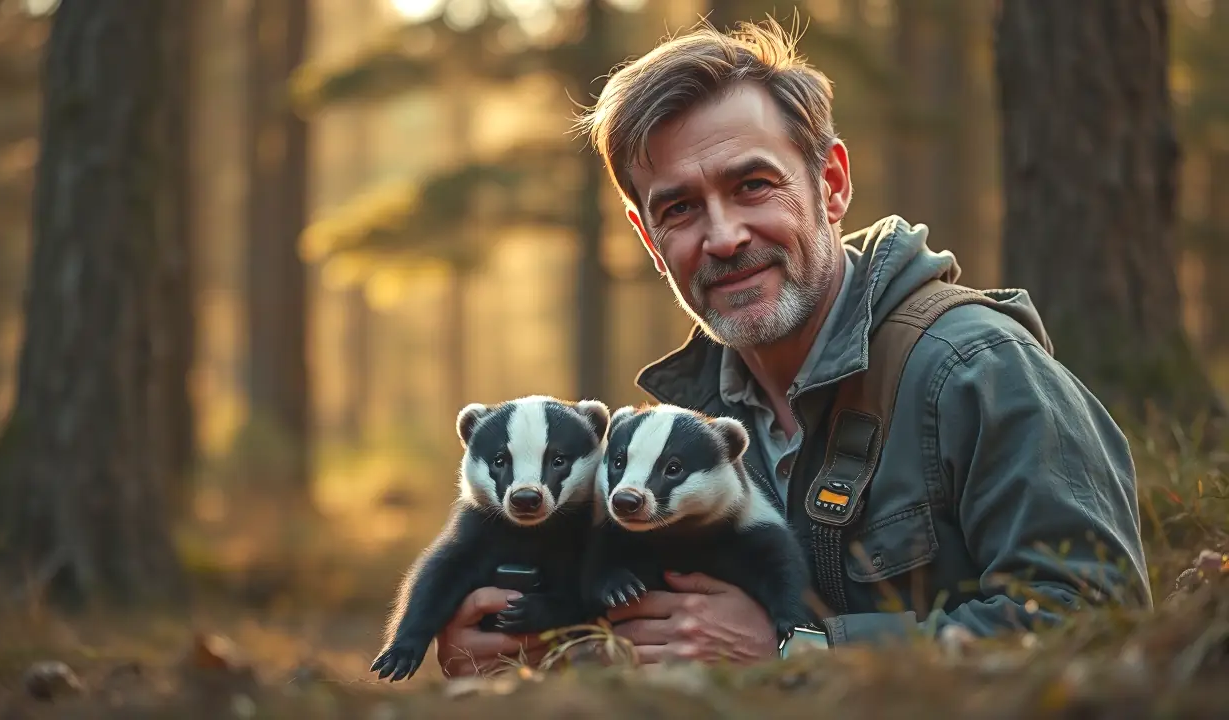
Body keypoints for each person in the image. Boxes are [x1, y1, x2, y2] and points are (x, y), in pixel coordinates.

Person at [431, 18, 1152, 677]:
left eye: (753, 185)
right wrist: (523, 651)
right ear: (649, 238)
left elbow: (1095, 623)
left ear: (831, 184)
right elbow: (659, 640)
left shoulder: (977, 372)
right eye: (680, 208)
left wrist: (796, 651)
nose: (723, 237)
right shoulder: (664, 438)